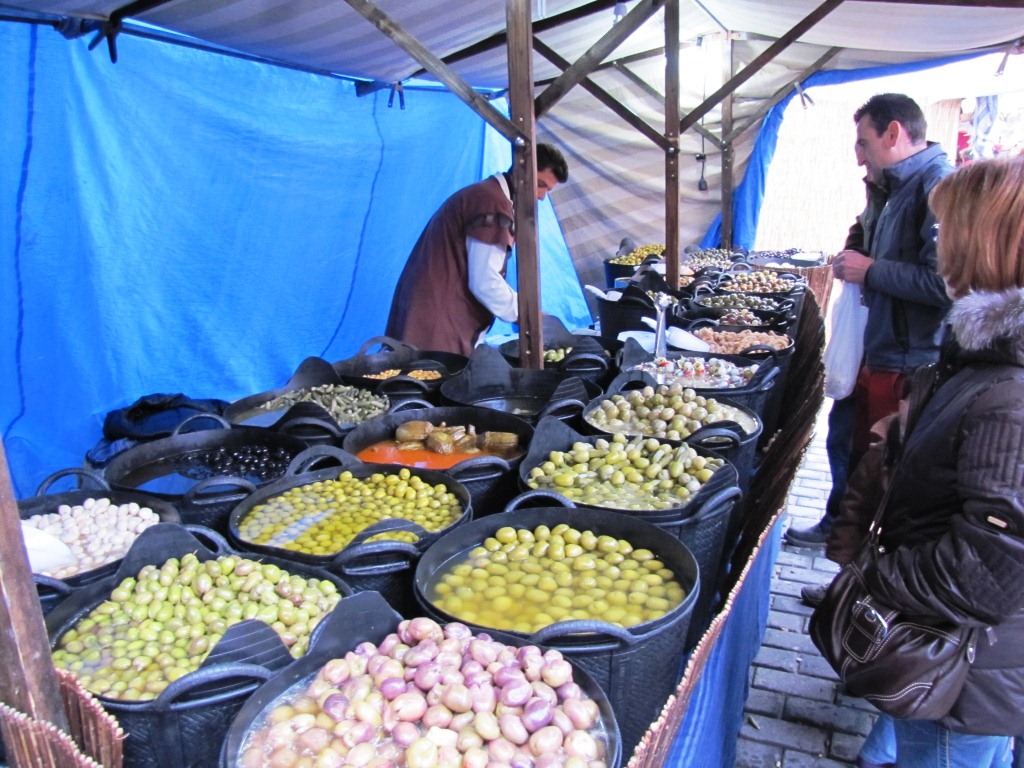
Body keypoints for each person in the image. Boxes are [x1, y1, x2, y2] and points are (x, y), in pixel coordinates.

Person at [846, 155, 1024, 768]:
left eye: (947, 227)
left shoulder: (1010, 392)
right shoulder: (986, 354)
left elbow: (987, 570)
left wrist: (875, 580)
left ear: (985, 242)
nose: (937, 238)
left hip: (963, 673)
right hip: (960, 655)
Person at [786, 93, 953, 553]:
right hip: (874, 345)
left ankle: (863, 561)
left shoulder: (938, 188)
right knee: (847, 444)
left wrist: (872, 271)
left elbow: (945, 284)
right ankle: (840, 532)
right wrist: (855, 246)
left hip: (907, 359)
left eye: (864, 143)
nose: (859, 156)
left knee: (881, 467)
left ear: (893, 133)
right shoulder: (889, 184)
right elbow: (865, 230)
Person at [384, 143, 569, 356]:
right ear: (522, 170)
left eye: (548, 190)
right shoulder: (491, 203)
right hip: (435, 325)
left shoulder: (484, 195)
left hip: (429, 314)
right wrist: (529, 315)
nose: (541, 196)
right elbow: (485, 282)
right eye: (540, 184)